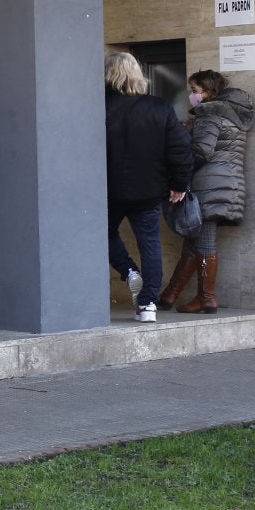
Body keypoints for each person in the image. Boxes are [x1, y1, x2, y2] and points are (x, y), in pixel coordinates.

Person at [104, 52, 192, 323]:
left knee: (101, 234)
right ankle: (148, 305)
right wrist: (179, 184)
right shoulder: (159, 107)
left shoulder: (97, 106)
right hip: (150, 189)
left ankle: (129, 271)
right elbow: (180, 148)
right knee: (150, 244)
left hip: (108, 188)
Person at [157, 69, 255, 314]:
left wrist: (178, 169)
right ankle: (169, 295)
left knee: (205, 240)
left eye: (195, 91)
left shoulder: (210, 114)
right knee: (193, 241)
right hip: (225, 183)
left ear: (209, 91)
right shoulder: (232, 115)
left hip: (209, 185)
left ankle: (206, 298)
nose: (192, 96)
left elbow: (201, 151)